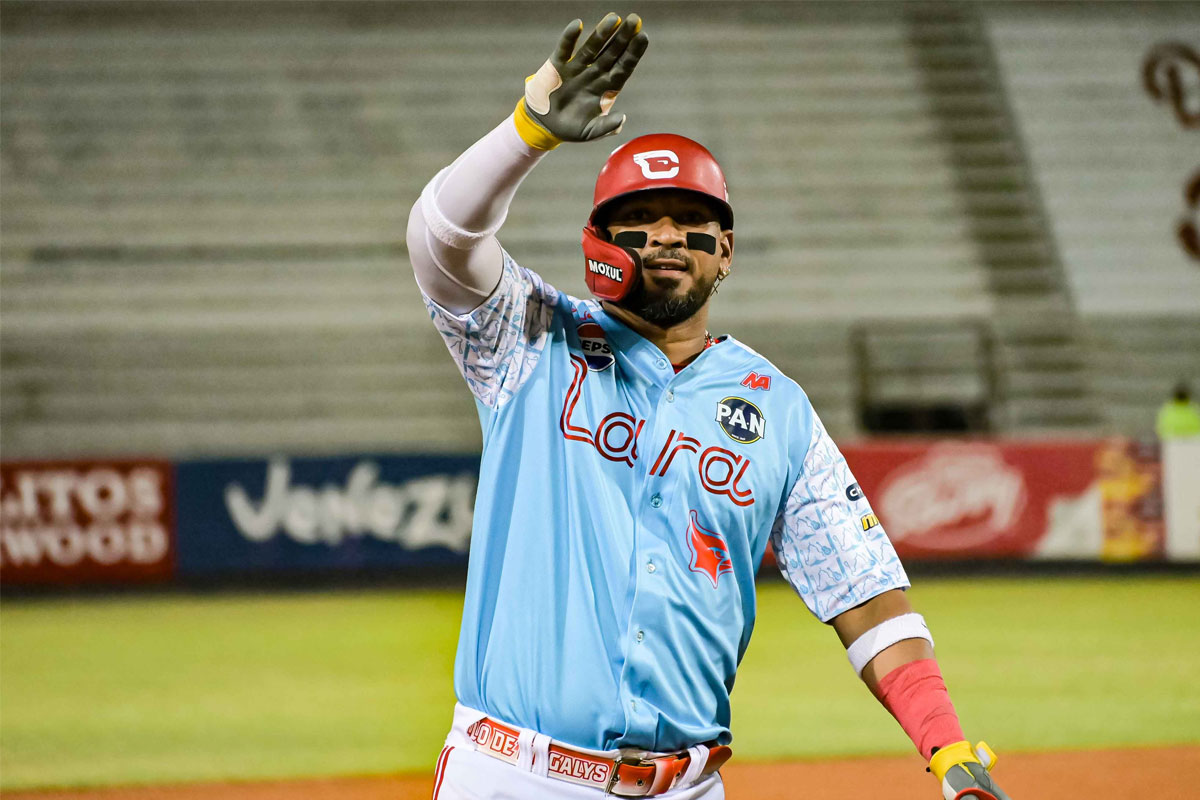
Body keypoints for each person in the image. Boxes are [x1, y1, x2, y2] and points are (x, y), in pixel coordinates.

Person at [407, 13, 1010, 800]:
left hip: (688, 785)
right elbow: (440, 238)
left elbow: (866, 596)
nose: (666, 237)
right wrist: (528, 133)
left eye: (693, 223)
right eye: (641, 221)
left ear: (725, 251)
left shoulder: (779, 412)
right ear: (600, 238)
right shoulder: (528, 338)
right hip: (517, 775)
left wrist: (948, 748)